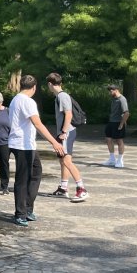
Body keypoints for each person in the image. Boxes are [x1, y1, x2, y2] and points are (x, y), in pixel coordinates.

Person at [8, 74, 65, 226]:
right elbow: (38, 124)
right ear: (34, 88)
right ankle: (20, 213)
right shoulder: (27, 101)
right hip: (22, 145)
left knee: (36, 172)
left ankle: (27, 208)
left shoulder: (16, 99)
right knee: (22, 179)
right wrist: (54, 142)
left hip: (26, 145)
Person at [46, 73, 89, 202]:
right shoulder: (60, 96)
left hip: (67, 132)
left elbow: (68, 115)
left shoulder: (62, 96)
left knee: (66, 161)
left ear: (50, 84)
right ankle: (63, 188)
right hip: (64, 132)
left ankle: (81, 189)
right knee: (62, 160)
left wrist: (63, 131)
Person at [103, 84, 130, 167]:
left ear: (116, 90)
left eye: (111, 91)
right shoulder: (113, 99)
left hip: (118, 122)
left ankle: (120, 160)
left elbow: (126, 113)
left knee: (119, 141)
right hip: (111, 122)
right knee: (108, 139)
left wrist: (121, 124)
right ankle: (112, 159)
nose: (110, 93)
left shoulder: (122, 99)